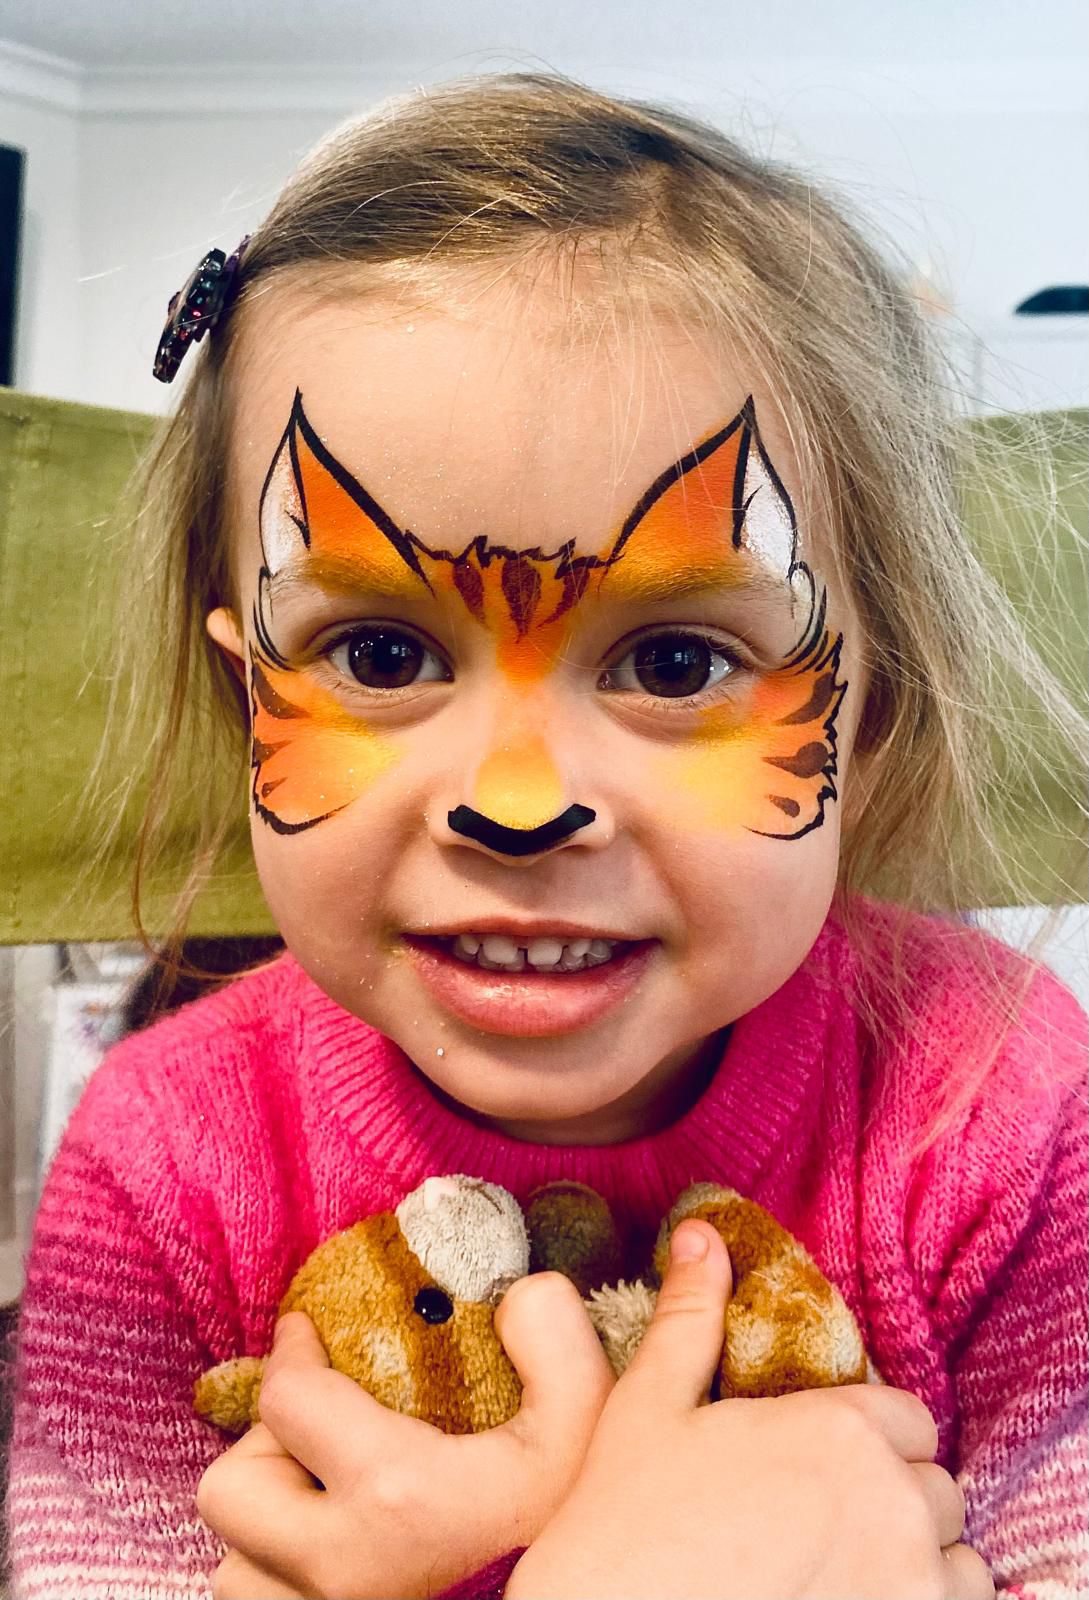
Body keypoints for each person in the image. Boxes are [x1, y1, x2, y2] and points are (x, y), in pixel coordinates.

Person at [6, 70, 1086, 1600]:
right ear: (243, 698)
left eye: (673, 663)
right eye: (381, 657)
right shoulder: (166, 1162)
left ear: (873, 716)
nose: (514, 803)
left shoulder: (1001, 1108)